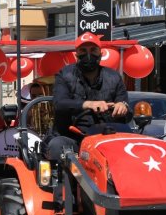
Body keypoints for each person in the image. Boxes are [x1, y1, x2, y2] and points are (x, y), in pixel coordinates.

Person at [47, 32, 131, 160]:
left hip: (106, 138)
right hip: (73, 138)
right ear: (76, 55)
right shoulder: (64, 74)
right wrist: (88, 104)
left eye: (93, 50)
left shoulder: (114, 77)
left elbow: (125, 106)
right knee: (56, 146)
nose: (88, 54)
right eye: (83, 50)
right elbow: (59, 103)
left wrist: (122, 106)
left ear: (101, 54)